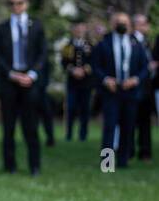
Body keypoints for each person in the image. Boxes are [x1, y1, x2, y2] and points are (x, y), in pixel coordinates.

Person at [0, 0, 47, 175]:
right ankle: (10, 165)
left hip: (30, 80)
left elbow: (42, 53)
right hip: (9, 81)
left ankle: (34, 165)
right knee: (9, 126)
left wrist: (31, 74)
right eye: (13, 3)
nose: (17, 6)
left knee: (31, 126)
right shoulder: (2, 28)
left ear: (26, 3)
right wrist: (11, 74)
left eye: (20, 2)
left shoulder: (36, 26)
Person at [91, 12, 150, 169]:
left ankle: (123, 161)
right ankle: (107, 163)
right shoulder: (104, 44)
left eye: (125, 22)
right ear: (112, 23)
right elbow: (96, 66)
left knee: (128, 127)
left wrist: (135, 79)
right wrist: (106, 79)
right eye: (118, 21)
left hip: (130, 92)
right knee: (109, 127)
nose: (122, 24)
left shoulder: (136, 44)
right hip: (111, 92)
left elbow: (145, 67)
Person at [61, 21, 94, 141]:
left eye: (81, 28)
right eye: (77, 28)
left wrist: (85, 70)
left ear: (85, 29)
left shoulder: (91, 45)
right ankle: (69, 134)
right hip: (72, 83)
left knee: (85, 109)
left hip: (86, 83)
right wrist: (73, 70)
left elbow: (94, 61)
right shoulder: (67, 46)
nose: (79, 31)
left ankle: (83, 135)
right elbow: (64, 62)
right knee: (70, 108)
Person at [131, 13, 155, 161]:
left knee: (145, 122)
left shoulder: (147, 42)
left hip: (147, 88)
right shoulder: (131, 41)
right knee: (131, 121)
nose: (147, 26)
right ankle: (128, 151)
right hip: (134, 87)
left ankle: (145, 152)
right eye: (144, 23)